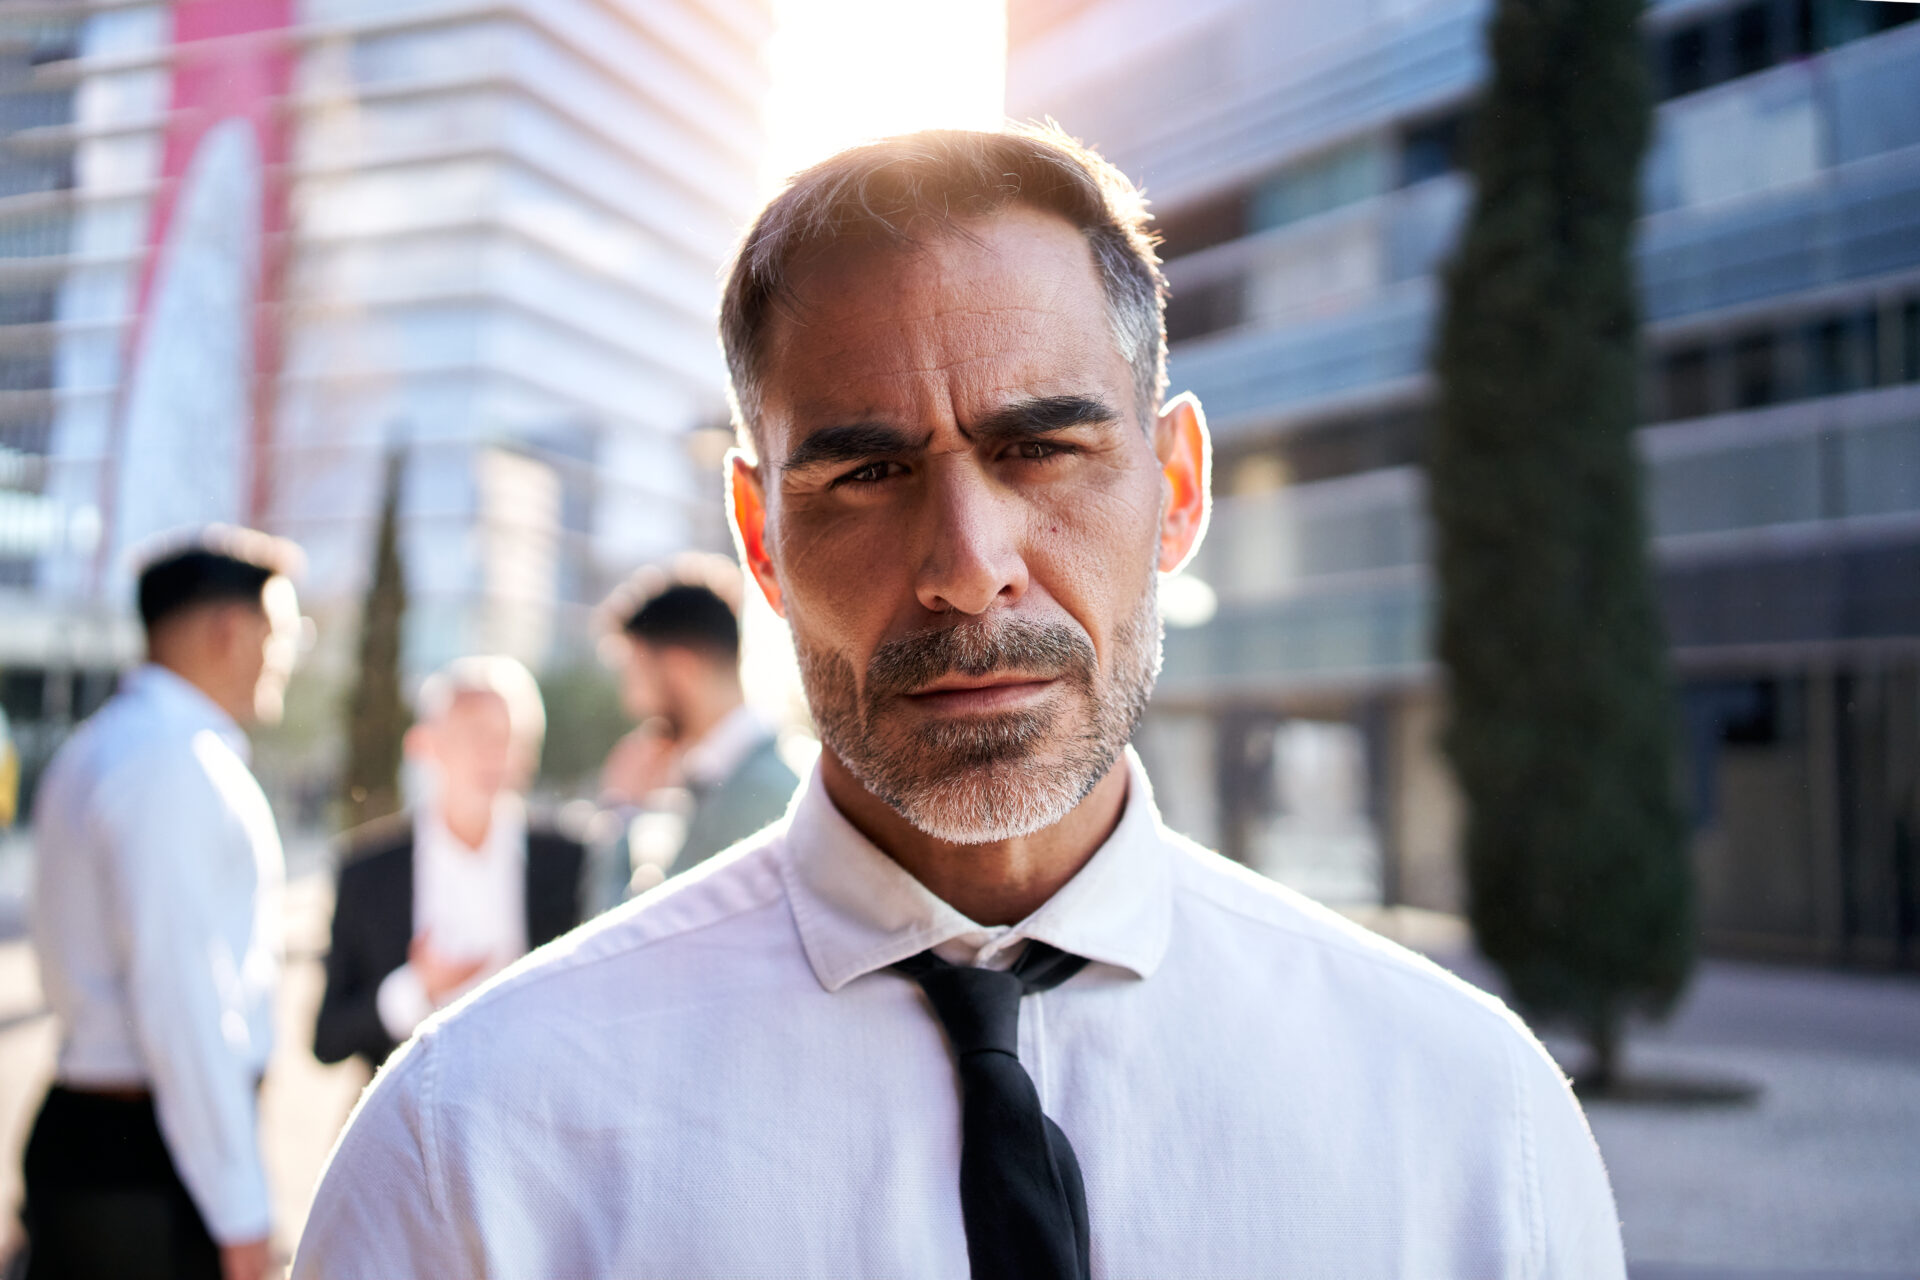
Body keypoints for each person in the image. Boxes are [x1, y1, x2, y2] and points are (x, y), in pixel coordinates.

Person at [294, 127, 1623, 1276]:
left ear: (1177, 488)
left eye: (1040, 446)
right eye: (867, 474)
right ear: (759, 538)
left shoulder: (1470, 1122)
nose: (967, 566)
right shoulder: (471, 1148)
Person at [27, 527, 304, 1280]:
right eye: (282, 632)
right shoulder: (172, 764)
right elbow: (182, 998)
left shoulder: (111, 744)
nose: (286, 655)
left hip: (116, 1145)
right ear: (230, 631)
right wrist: (242, 1213)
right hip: (145, 1165)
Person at [313, 655, 585, 1073]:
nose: (493, 754)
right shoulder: (367, 870)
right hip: (409, 1107)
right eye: (475, 734)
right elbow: (328, 1040)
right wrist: (416, 986)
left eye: (509, 738)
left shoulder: (568, 860)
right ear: (425, 744)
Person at [594, 560, 798, 899]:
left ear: (681, 670)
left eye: (635, 676)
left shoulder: (757, 795)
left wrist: (621, 813)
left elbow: (636, 929)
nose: (632, 704)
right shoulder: (731, 780)